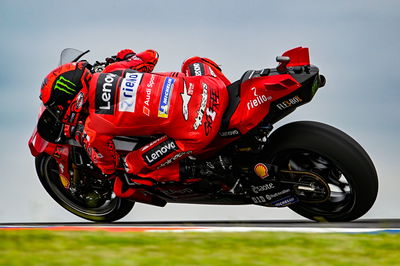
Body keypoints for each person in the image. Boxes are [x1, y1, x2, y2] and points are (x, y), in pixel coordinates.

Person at [39, 48, 232, 196]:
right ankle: (234, 103)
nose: (58, 112)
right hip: (209, 87)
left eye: (58, 108)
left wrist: (99, 162)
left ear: (75, 99)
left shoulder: (93, 128)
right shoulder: (114, 70)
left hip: (198, 128)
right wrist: (124, 55)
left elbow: (108, 165)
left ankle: (206, 168)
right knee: (193, 62)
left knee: (131, 167)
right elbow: (151, 56)